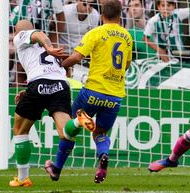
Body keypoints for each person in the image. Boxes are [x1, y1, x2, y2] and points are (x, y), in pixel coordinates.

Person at [45, 0, 133, 184]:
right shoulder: (127, 37)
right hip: (115, 96)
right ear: (120, 16)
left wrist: (60, 65)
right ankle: (103, 155)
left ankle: (56, 168)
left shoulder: (96, 33)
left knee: (68, 127)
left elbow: (77, 56)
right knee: (100, 133)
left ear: (101, 15)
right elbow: (126, 65)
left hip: (93, 91)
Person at [9, 20, 94, 187]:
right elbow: (52, 72)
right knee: (66, 133)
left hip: (39, 84)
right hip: (61, 85)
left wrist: (48, 46)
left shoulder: (22, 37)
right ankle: (78, 121)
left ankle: (23, 178)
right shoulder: (45, 50)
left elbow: (39, 34)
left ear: (18, 31)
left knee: (20, 130)